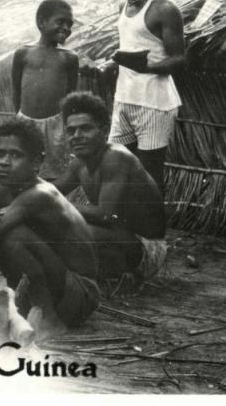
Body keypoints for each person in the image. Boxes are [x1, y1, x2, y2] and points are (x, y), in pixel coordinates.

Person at [0, 118, 99, 338]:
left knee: (11, 234)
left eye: (16, 155)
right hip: (59, 285)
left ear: (37, 162)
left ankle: (49, 319)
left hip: (79, 295)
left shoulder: (41, 195)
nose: (4, 162)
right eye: (0, 154)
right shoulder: (2, 189)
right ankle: (26, 305)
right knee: (1, 228)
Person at [55, 92, 167, 290]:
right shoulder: (79, 164)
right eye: (71, 131)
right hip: (118, 237)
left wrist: (57, 203)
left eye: (85, 128)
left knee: (67, 230)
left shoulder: (116, 157)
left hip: (146, 249)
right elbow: (49, 190)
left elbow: (106, 215)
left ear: (104, 131)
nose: (77, 136)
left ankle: (119, 276)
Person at [106, 0, 184, 192]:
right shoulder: (123, 4)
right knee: (116, 163)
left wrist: (147, 68)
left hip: (154, 102)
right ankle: (125, 228)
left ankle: (153, 232)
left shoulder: (165, 8)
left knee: (149, 173)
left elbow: (179, 58)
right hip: (125, 97)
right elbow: (128, 49)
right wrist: (112, 64)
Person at [11, 0, 79, 179]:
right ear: (41, 22)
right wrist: (18, 120)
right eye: (60, 22)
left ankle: (52, 204)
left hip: (56, 126)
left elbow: (70, 96)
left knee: (55, 172)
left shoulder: (69, 58)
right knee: (23, 170)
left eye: (69, 24)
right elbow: (16, 90)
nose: (66, 28)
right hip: (25, 122)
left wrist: (65, 126)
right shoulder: (23, 53)